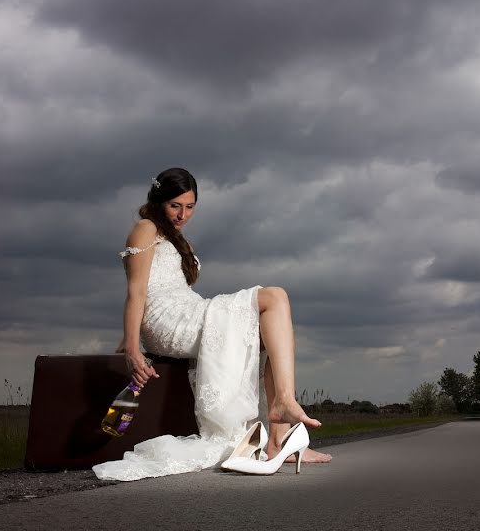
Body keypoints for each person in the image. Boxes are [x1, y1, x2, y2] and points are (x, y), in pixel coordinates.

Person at [93, 168, 330, 481]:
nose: (183, 214)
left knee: (275, 328)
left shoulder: (175, 237)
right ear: (159, 199)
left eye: (190, 207)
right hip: (168, 319)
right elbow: (137, 291)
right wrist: (132, 346)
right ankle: (284, 405)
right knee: (274, 297)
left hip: (190, 308)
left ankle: (276, 440)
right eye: (175, 205)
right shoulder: (145, 228)